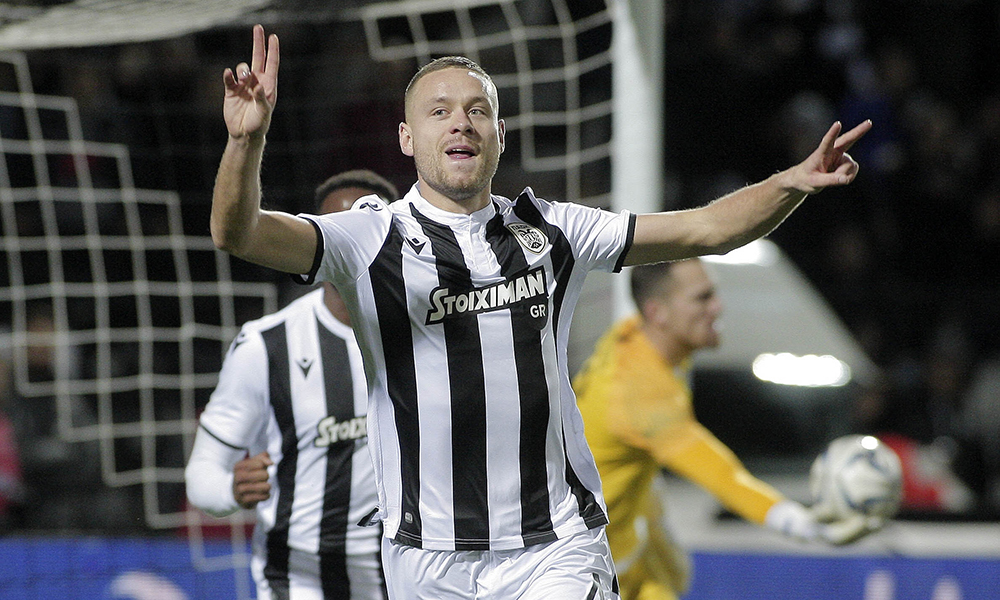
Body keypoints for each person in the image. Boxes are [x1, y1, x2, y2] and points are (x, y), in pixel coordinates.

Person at [209, 24, 870, 599]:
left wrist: (790, 183)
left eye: (477, 110)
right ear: (407, 138)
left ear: (500, 134)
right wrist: (244, 142)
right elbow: (240, 234)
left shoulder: (554, 231)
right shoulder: (368, 239)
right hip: (425, 557)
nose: (461, 122)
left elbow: (705, 230)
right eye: (439, 112)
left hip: (553, 546)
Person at [573, 259, 881, 600]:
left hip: (622, 548)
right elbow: (721, 474)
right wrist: (801, 521)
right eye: (702, 298)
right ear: (658, 312)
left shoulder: (637, 338)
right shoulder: (639, 391)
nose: (718, 307)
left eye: (714, 293)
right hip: (590, 573)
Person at [185, 169, 399, 600]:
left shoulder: (435, 333)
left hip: (412, 576)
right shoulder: (268, 345)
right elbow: (202, 472)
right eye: (337, 229)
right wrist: (231, 489)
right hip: (302, 580)